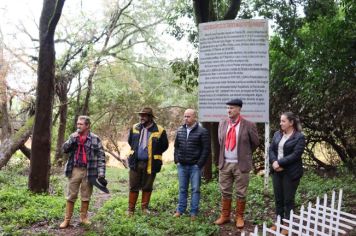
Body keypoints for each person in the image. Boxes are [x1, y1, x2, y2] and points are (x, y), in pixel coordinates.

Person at [214, 98, 260, 229]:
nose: (229, 110)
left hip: (241, 164)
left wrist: (245, 153)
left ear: (239, 109)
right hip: (225, 163)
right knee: (225, 190)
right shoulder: (222, 123)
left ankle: (239, 217)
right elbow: (220, 140)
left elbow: (255, 143)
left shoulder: (249, 125)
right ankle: (225, 215)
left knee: (241, 192)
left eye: (232, 108)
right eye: (227, 108)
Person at [60, 115, 106, 228]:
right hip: (75, 169)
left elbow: (101, 156)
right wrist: (72, 139)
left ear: (87, 126)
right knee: (71, 195)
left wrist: (101, 173)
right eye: (77, 124)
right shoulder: (73, 136)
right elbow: (64, 149)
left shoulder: (95, 138)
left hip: (89, 170)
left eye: (80, 124)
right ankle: (67, 220)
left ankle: (83, 218)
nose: (78, 126)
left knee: (86, 195)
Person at [127, 107, 169, 216]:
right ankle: (130, 210)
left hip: (151, 163)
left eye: (144, 115)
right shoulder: (134, 128)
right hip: (135, 162)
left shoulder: (160, 130)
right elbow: (130, 141)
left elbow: (164, 146)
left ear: (150, 117)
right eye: (141, 115)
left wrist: (153, 153)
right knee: (133, 186)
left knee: (147, 186)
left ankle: (144, 209)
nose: (141, 117)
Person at [269, 112, 305, 235]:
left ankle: (287, 225)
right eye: (281, 121)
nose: (281, 123)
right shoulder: (277, 134)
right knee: (278, 199)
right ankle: (278, 222)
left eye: (283, 121)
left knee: (288, 200)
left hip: (290, 173)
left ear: (291, 122)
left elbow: (296, 155)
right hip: (276, 172)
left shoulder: (299, 137)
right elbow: (271, 149)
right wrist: (274, 162)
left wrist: (280, 163)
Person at [173, 109, 211, 220]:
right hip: (182, 166)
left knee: (195, 189)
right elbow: (176, 146)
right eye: (185, 116)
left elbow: (206, 150)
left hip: (195, 166)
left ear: (194, 117)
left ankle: (193, 212)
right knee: (182, 188)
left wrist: (199, 165)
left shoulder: (202, 131)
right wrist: (177, 160)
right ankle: (180, 210)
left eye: (188, 116)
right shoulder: (180, 130)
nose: (186, 118)